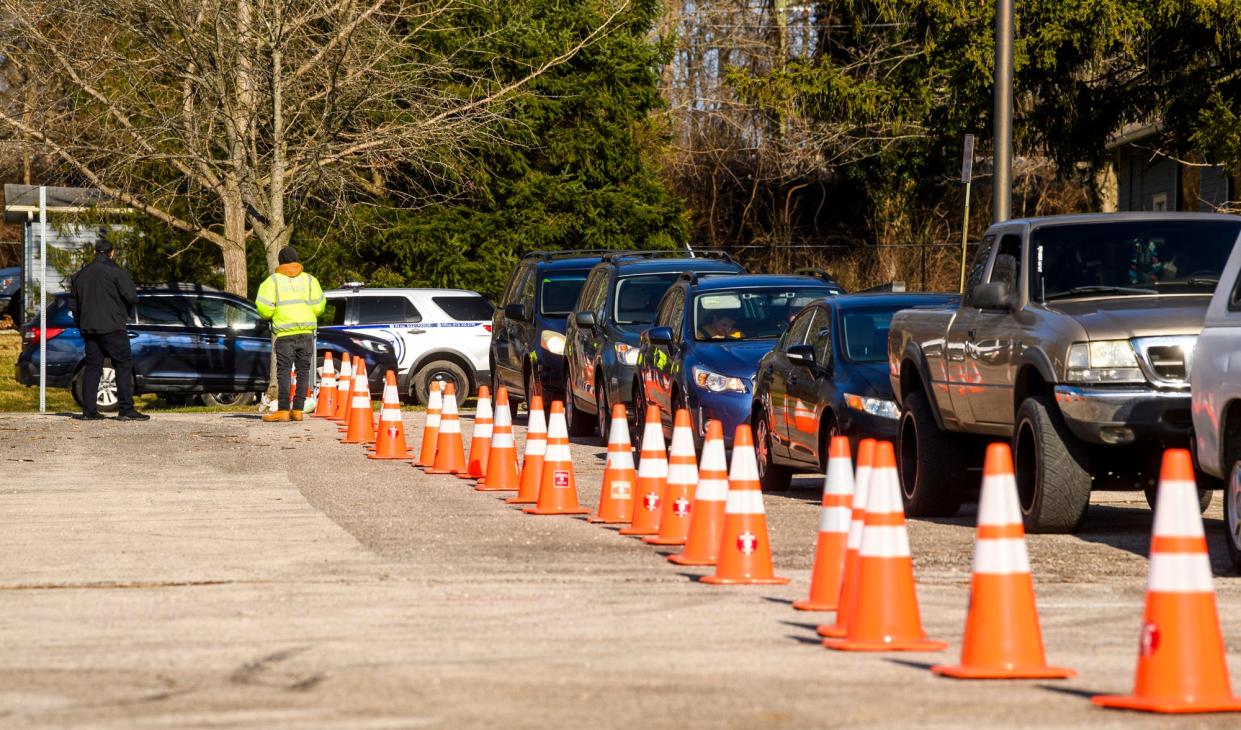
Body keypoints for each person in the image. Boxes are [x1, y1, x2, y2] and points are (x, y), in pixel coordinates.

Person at [69, 240, 146, 420]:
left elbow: (74, 305)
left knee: (93, 367)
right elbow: (132, 297)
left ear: (95, 253)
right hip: (113, 326)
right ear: (112, 253)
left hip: (89, 329)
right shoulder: (117, 272)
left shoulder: (80, 275)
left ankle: (89, 411)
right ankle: (126, 409)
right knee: (123, 364)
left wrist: (81, 324)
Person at [255, 246, 325, 422]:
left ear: (280, 262)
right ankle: (298, 411)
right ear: (297, 260)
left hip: (285, 334)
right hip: (306, 333)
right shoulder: (310, 281)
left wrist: (275, 313)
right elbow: (319, 307)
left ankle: (284, 410)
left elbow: (264, 309)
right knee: (303, 371)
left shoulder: (272, 282)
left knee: (284, 372)